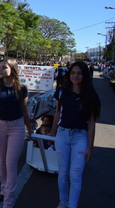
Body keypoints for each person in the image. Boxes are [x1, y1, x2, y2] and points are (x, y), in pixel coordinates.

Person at [49, 61, 101, 208]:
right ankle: (63, 202)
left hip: (81, 137)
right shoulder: (61, 91)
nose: (75, 76)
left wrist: (90, 147)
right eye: (73, 73)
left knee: (76, 175)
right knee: (63, 173)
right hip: (62, 136)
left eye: (79, 73)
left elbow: (91, 123)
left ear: (84, 75)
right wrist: (53, 131)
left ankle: (72, 205)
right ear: (69, 74)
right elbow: (58, 113)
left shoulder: (90, 95)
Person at [0, 58, 32, 208]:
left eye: (4, 67)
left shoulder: (21, 88)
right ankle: (4, 189)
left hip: (17, 127)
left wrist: (29, 129)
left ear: (12, 69)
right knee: (2, 162)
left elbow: (24, 110)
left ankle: (8, 201)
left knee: (11, 163)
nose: (0, 70)